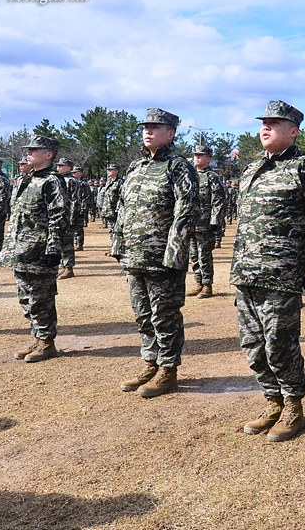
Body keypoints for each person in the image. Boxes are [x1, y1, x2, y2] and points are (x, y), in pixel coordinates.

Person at [231, 100, 305, 442]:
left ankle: (293, 405)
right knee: (252, 344)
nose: (265, 128)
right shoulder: (250, 170)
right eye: (264, 122)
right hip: (246, 273)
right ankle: (272, 400)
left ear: (293, 131)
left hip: (282, 274)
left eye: (275, 123)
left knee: (280, 343)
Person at [112, 108, 198, 398]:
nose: (148, 131)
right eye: (145, 127)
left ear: (170, 133)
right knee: (142, 314)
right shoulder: (135, 167)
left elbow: (185, 211)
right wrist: (118, 244)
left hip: (162, 258)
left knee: (165, 315)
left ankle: (168, 370)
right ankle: (150, 362)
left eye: (155, 127)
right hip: (134, 255)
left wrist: (174, 253)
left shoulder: (178, 166)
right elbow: (123, 209)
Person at [0, 136, 69, 361]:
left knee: (41, 298)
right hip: (20, 249)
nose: (28, 152)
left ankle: (47, 342)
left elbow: (59, 216)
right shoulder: (26, 179)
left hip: (39, 250)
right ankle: (37, 337)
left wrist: (53, 247)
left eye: (34, 150)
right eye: (28, 149)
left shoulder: (52, 181)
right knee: (25, 297)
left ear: (48, 154)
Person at [186, 145, 226, 299]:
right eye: (195, 155)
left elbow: (218, 200)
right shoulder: (190, 176)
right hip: (191, 223)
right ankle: (198, 282)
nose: (197, 157)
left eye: (201, 155)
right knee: (193, 255)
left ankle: (207, 284)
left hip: (205, 223)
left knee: (204, 254)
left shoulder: (211, 177)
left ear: (208, 159)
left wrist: (215, 221)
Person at [55, 157, 82, 279]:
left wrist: (71, 218)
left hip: (67, 217)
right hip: (59, 216)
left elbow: (75, 201)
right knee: (60, 242)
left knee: (67, 243)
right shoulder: (59, 180)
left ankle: (69, 268)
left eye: (61, 166)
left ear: (69, 168)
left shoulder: (72, 181)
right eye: (58, 165)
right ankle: (64, 266)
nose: (58, 167)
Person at [100, 164, 123, 255]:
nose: (109, 171)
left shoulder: (120, 182)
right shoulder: (109, 181)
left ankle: (117, 249)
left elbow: (121, 197)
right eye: (108, 170)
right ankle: (114, 248)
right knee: (111, 230)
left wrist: (118, 210)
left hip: (115, 211)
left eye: (111, 170)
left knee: (116, 231)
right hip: (108, 210)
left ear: (116, 171)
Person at [71, 166, 91, 250]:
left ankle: (79, 244)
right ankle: (75, 243)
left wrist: (83, 208)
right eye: (73, 172)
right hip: (73, 207)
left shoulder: (84, 184)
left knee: (78, 227)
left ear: (80, 173)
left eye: (76, 172)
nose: (74, 173)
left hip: (79, 208)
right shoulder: (73, 182)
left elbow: (86, 197)